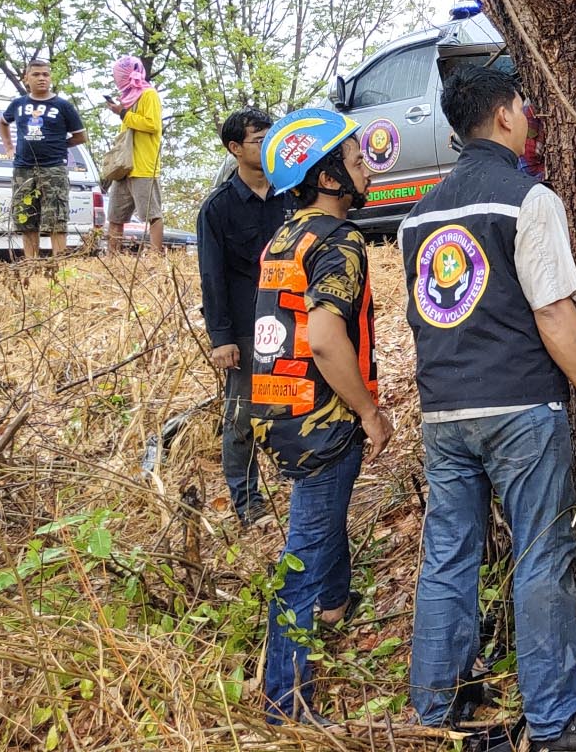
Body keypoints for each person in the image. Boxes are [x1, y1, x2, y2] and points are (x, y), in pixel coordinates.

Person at [401, 66, 576, 750]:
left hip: (443, 410)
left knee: (448, 557)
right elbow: (553, 310)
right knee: (540, 555)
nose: (528, 120)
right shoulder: (528, 200)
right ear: (503, 117)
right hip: (521, 407)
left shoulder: (418, 216)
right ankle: (559, 718)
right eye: (522, 111)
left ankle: (436, 711)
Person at [248, 107, 395, 724]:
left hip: (276, 411)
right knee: (305, 547)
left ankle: (335, 607)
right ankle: (284, 699)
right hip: (321, 418)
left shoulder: (285, 236)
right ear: (328, 178)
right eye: (357, 162)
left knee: (324, 515)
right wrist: (369, 411)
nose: (367, 170)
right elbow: (328, 338)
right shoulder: (341, 241)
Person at [195, 108, 291, 530]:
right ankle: (247, 501)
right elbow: (211, 276)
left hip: (295, 318)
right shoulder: (217, 208)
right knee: (241, 415)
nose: (268, 146)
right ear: (235, 148)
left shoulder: (292, 193)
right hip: (248, 327)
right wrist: (222, 338)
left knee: (297, 403)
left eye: (272, 138)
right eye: (258, 140)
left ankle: (296, 480)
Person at [0, 57, 87, 261]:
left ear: (51, 77)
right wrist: (9, 147)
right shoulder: (18, 104)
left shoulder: (63, 106)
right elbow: (3, 123)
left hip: (53, 168)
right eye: (36, 74)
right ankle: (31, 263)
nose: (41, 78)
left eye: (45, 74)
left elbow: (81, 136)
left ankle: (60, 264)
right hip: (23, 168)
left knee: (56, 218)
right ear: (26, 78)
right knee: (25, 217)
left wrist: (59, 144)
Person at [103, 55, 165, 256]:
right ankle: (112, 259)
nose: (116, 79)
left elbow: (152, 124)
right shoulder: (128, 97)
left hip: (143, 166)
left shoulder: (149, 95)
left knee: (152, 214)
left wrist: (123, 113)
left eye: (118, 75)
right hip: (123, 167)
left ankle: (155, 255)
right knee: (115, 216)